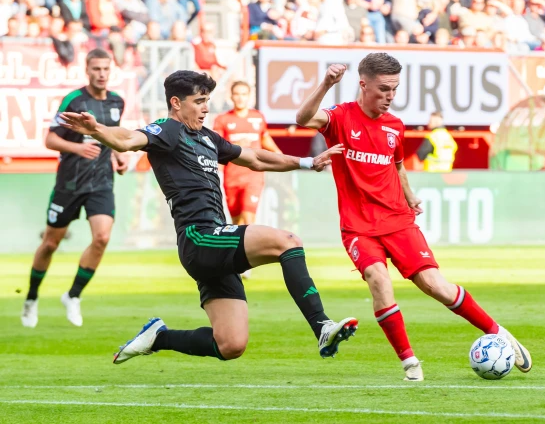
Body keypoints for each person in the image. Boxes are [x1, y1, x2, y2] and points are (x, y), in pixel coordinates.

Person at [58, 70, 357, 364]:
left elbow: (254, 157)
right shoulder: (167, 131)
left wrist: (306, 161)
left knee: (230, 344)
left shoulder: (207, 138)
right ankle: (321, 325)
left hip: (215, 240)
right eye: (199, 100)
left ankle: (158, 337)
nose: (205, 107)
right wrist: (97, 130)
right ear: (176, 103)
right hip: (198, 238)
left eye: (207, 100)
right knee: (287, 242)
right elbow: (126, 139)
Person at [295, 54, 532, 381]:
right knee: (378, 279)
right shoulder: (340, 117)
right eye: (384, 89)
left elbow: (397, 164)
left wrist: (409, 195)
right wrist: (326, 84)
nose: (390, 96)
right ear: (363, 84)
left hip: (398, 221)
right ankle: (410, 364)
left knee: (435, 285)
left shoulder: (395, 126)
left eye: (395, 89)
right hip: (358, 226)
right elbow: (303, 117)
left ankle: (499, 332)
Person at [21, 49, 127, 329]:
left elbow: (112, 137)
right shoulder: (74, 100)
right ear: (87, 70)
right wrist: (78, 147)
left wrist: (118, 156)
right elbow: (50, 139)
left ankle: (73, 295)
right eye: (96, 69)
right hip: (69, 183)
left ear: (111, 69)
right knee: (51, 244)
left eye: (105, 68)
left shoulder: (118, 102)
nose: (101, 74)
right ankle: (31, 298)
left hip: (102, 182)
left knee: (102, 237)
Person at [213, 80, 282, 279]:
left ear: (249, 96)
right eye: (237, 94)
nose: (241, 97)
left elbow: (265, 138)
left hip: (253, 174)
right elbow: (217, 145)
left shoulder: (257, 118)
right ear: (231, 96)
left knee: (249, 216)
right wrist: (234, 145)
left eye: (244, 94)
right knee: (235, 220)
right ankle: (237, 257)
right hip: (232, 176)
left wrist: (278, 154)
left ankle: (246, 262)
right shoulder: (223, 120)